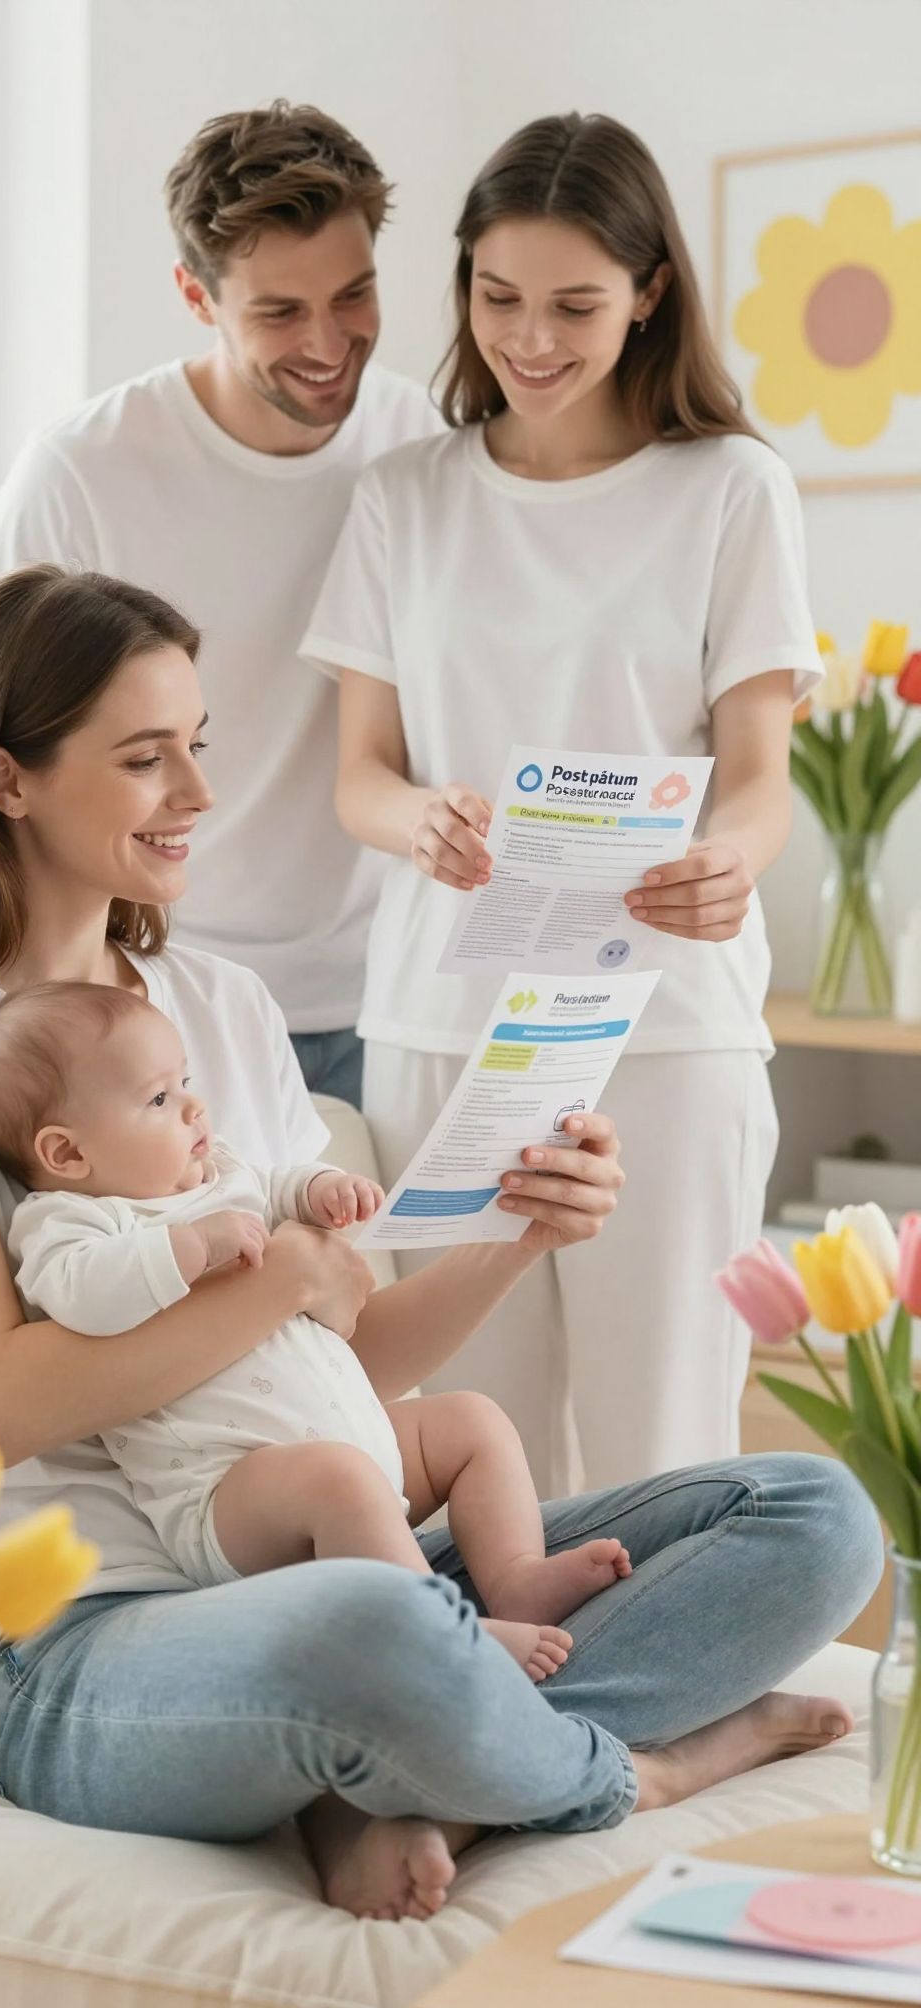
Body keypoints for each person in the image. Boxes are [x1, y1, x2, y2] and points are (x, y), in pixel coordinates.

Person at [0, 567, 879, 1923]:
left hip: (330, 1544)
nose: (199, 792)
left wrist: (515, 1232)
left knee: (812, 1514)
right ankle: (624, 1770)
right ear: (7, 779)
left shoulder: (218, 1004)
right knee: (375, 1628)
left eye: (198, 745)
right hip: (77, 1637)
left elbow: (344, 1364)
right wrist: (285, 1287)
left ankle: (419, 1766)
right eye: (145, 757)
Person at [304, 112, 824, 1494]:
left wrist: (728, 860)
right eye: (499, 297)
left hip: (666, 1027)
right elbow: (360, 773)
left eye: (576, 306)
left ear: (649, 294)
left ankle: (684, 1652)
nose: (529, 340)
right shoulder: (404, 496)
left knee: (670, 1451)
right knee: (483, 1466)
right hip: (444, 1025)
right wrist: (416, 820)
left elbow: (759, 780)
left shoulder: (733, 490)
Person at [0, 101, 441, 1109]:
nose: (328, 342)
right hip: (158, 999)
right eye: (280, 312)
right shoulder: (84, 472)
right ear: (196, 295)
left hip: (389, 994)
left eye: (354, 295)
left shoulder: (422, 446)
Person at [0, 980, 631, 1679]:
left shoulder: (218, 1173)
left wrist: (321, 1191)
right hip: (231, 1496)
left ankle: (516, 1576)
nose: (193, 1107)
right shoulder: (70, 1222)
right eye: (158, 1099)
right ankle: (440, 1635)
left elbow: (280, 1187)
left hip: (352, 1448)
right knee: (338, 1479)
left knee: (471, 1420)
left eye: (185, 1082)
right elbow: (81, 1295)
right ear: (67, 1155)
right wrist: (191, 1247)